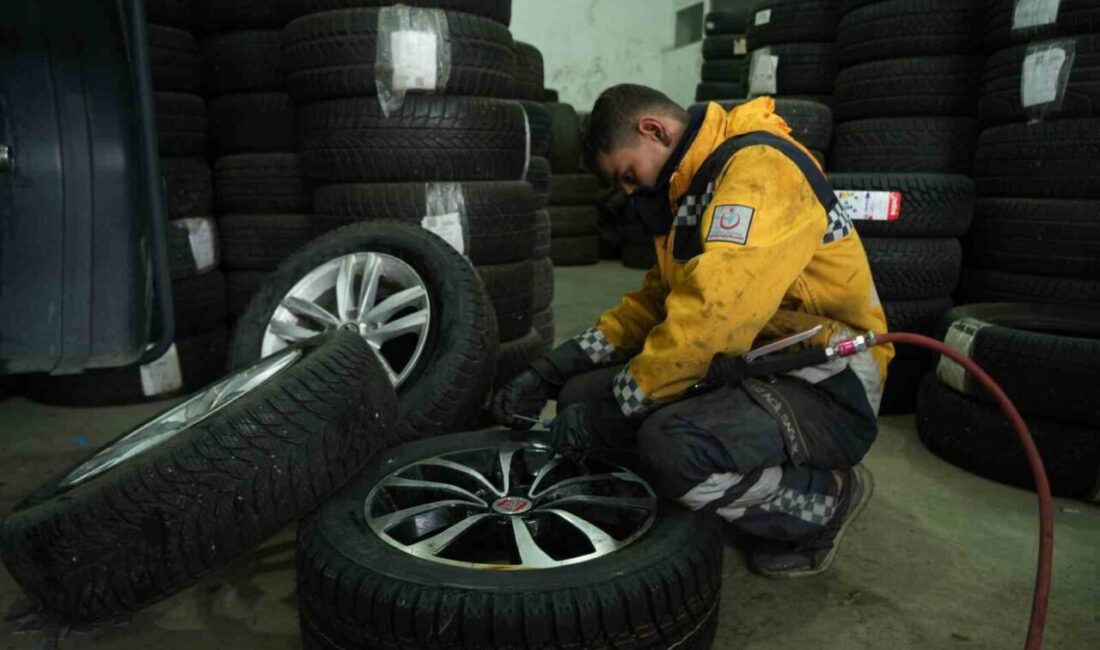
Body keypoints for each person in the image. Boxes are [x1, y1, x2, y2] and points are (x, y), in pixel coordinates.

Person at [492, 85, 893, 578]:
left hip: (827, 372)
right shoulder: (691, 191)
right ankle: (707, 479)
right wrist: (553, 369)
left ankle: (824, 504)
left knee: (673, 447)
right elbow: (655, 305)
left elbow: (711, 320)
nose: (629, 192)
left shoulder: (759, 170)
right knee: (580, 396)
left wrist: (614, 410)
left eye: (628, 175)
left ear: (654, 131)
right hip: (752, 358)